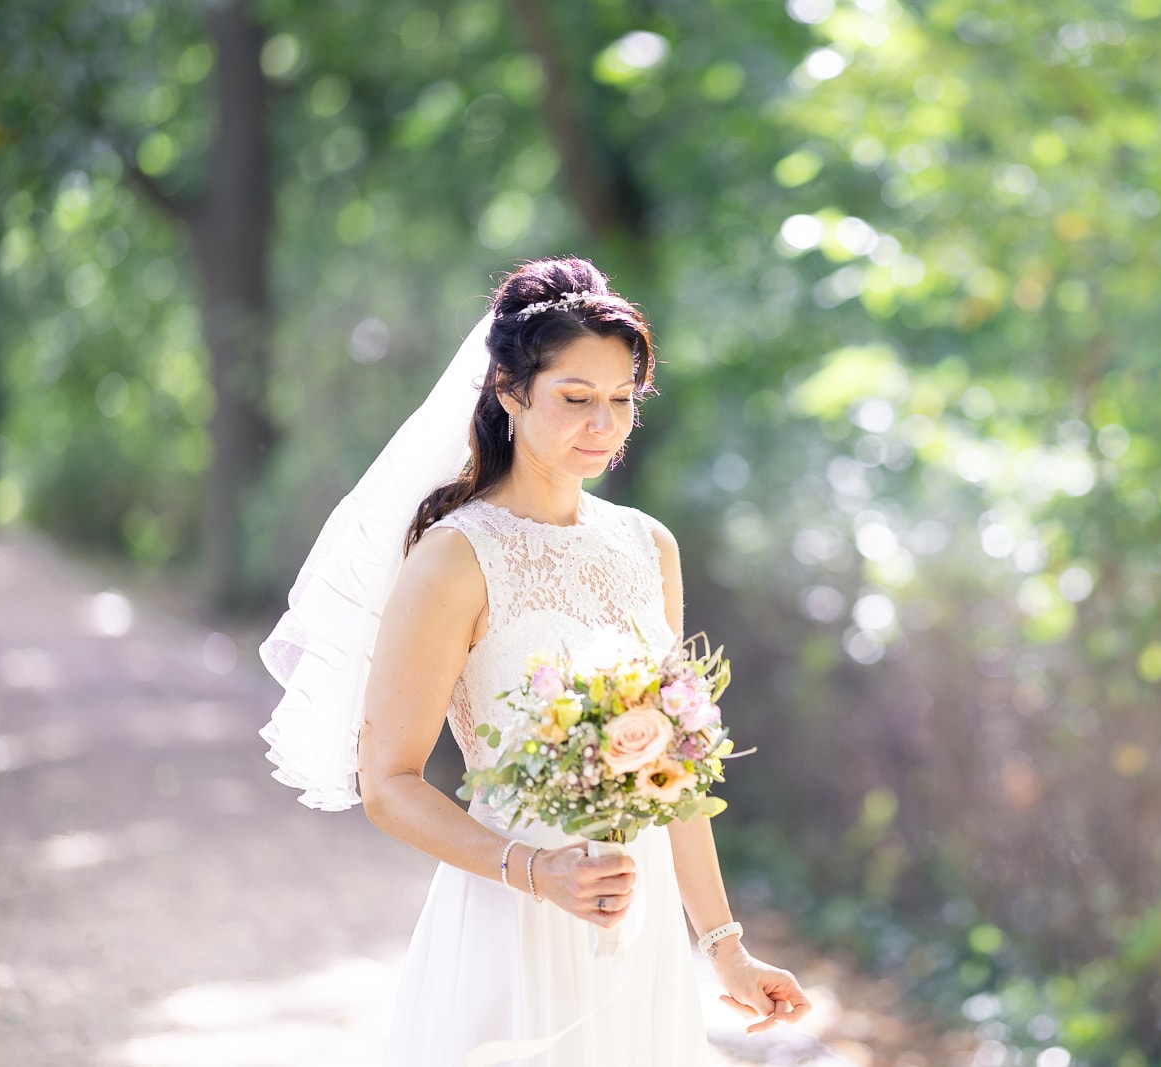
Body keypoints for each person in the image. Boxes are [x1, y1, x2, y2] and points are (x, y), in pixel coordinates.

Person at [258, 256, 810, 1065]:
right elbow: (389, 781)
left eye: (622, 400)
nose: (604, 424)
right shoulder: (453, 557)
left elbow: (673, 778)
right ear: (510, 392)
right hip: (512, 916)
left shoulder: (648, 546)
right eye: (575, 398)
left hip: (641, 924)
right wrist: (534, 870)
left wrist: (724, 947)